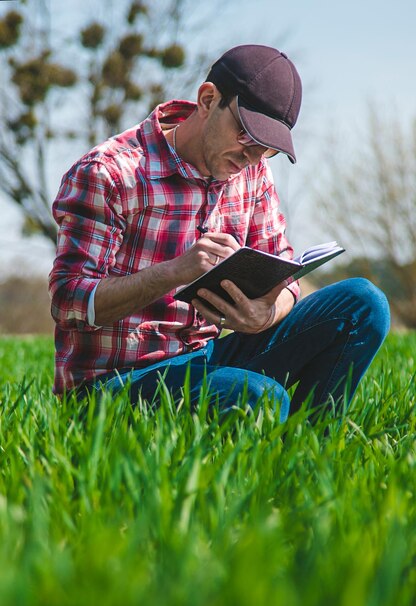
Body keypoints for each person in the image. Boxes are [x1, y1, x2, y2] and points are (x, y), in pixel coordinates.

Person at [49, 44, 390, 422]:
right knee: (258, 397)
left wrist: (267, 312)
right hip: (113, 383)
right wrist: (175, 271)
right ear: (209, 99)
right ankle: (274, 442)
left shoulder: (253, 173)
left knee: (364, 303)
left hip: (206, 359)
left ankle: (312, 451)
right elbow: (67, 301)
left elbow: (286, 273)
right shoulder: (110, 173)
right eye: (246, 135)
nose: (253, 157)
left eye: (267, 148)